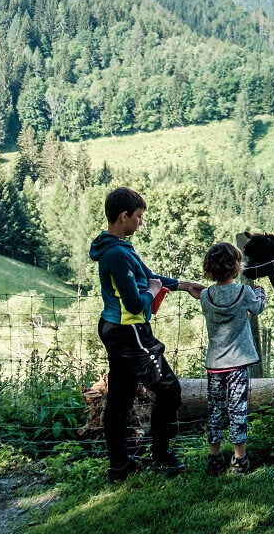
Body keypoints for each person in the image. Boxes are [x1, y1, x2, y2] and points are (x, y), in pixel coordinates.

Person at [91, 187, 204, 482]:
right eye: (138, 217)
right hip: (130, 331)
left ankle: (119, 465)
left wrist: (183, 284)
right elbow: (136, 300)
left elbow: (149, 276)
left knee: (120, 397)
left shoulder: (118, 246)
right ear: (123, 216)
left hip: (116, 328)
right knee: (168, 390)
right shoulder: (115, 253)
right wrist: (153, 291)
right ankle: (161, 457)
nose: (141, 222)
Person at [200, 242, 266, 476]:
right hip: (238, 363)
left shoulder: (206, 296)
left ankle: (215, 457)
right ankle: (239, 460)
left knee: (215, 410)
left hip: (215, 365)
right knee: (238, 409)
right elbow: (258, 308)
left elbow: (210, 310)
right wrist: (260, 292)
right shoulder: (244, 292)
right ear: (236, 267)